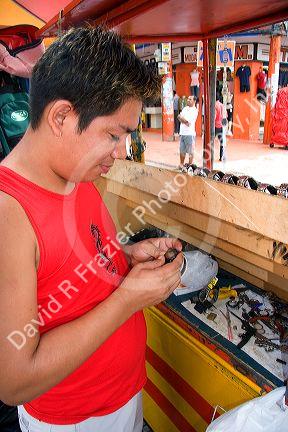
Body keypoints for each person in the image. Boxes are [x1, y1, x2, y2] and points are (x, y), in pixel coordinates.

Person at [0, 27, 183, 432]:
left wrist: (123, 257)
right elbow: (13, 381)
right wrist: (127, 300)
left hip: (121, 395)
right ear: (62, 117)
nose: (120, 153)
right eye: (113, 135)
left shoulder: (75, 174)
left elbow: (69, 261)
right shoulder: (8, 214)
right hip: (76, 420)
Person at [178, 95, 198, 169]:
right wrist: (183, 120)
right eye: (188, 99)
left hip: (190, 134)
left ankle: (190, 166)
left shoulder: (194, 110)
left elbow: (187, 121)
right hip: (182, 133)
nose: (188, 100)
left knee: (190, 151)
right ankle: (181, 164)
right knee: (182, 150)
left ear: (194, 101)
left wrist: (182, 119)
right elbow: (179, 117)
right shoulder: (185, 108)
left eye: (190, 99)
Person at [215, 93, 226, 161]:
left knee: (210, 141)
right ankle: (221, 156)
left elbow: (214, 116)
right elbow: (225, 116)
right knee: (221, 142)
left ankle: (209, 156)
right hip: (221, 126)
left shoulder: (214, 105)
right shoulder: (222, 105)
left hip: (215, 125)